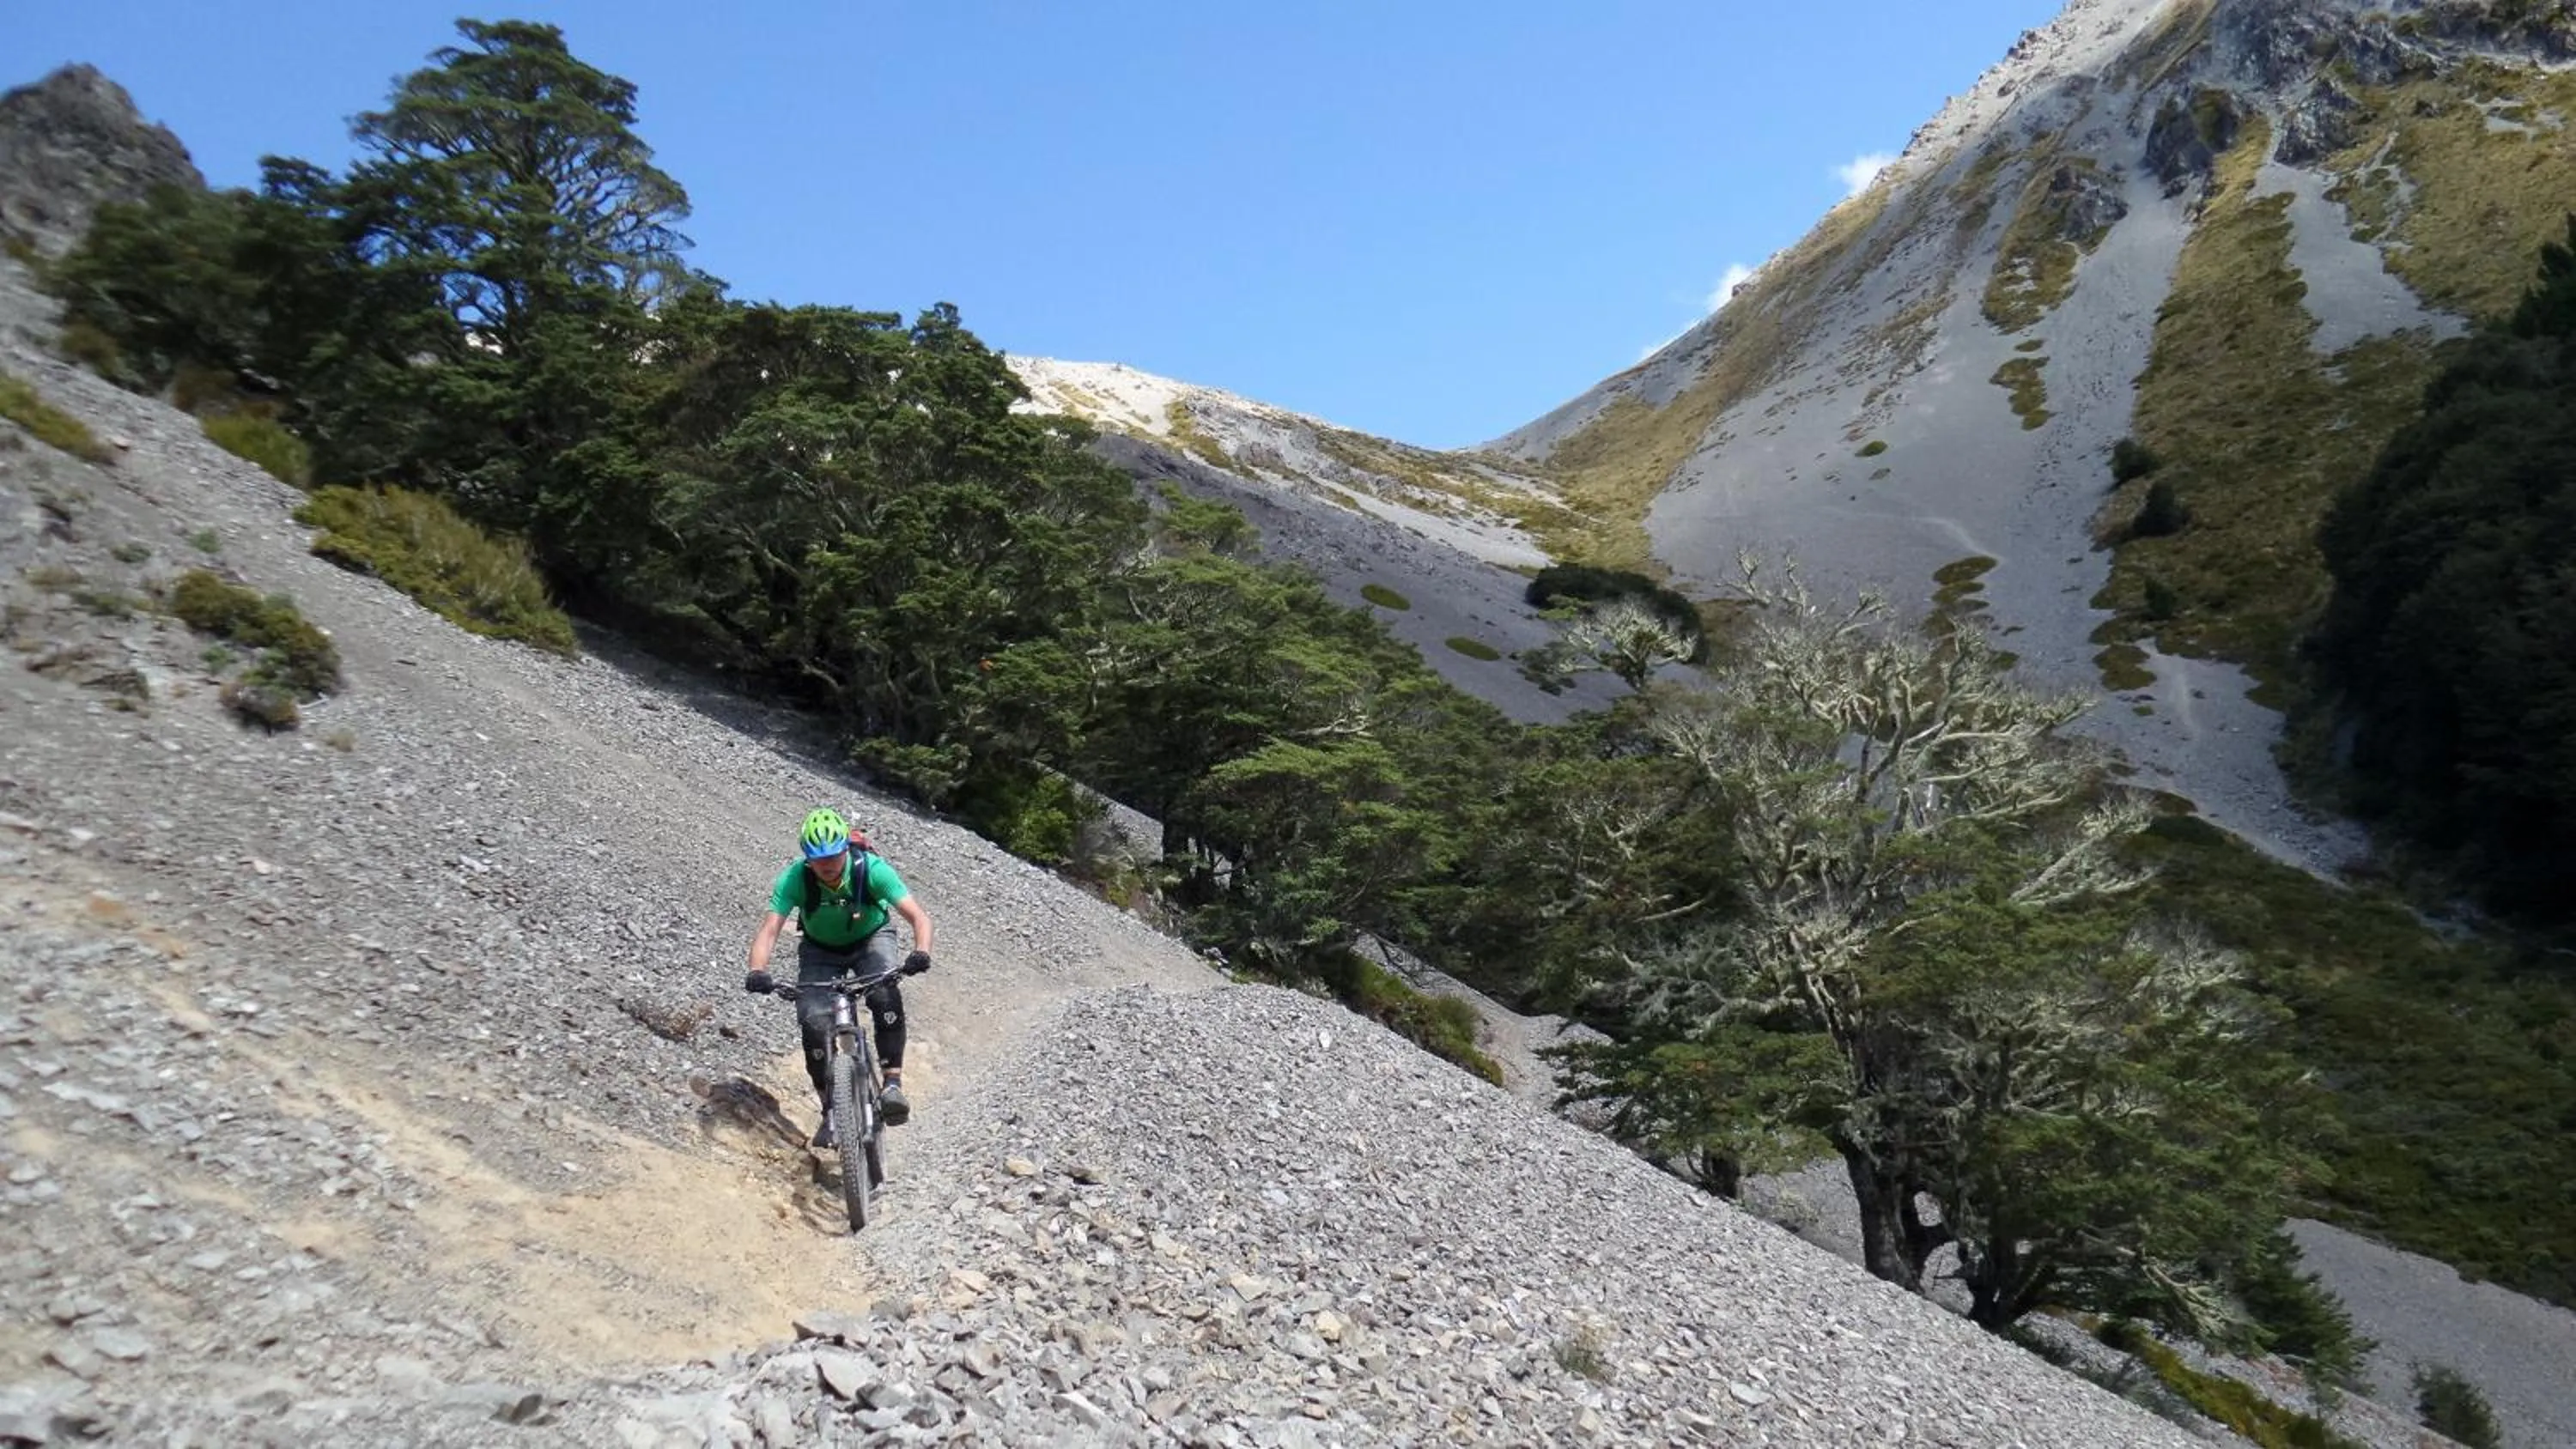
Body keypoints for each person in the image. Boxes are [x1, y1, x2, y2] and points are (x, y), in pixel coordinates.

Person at [744, 808, 933, 1147]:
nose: (827, 865)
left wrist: (921, 952)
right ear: (807, 859)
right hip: (820, 950)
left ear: (846, 849)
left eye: (833, 856)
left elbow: (918, 916)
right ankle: (831, 1110)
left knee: (882, 992)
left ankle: (892, 1084)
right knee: (813, 1022)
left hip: (872, 938)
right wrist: (757, 971)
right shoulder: (794, 879)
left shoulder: (872, 870)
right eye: (818, 860)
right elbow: (769, 930)